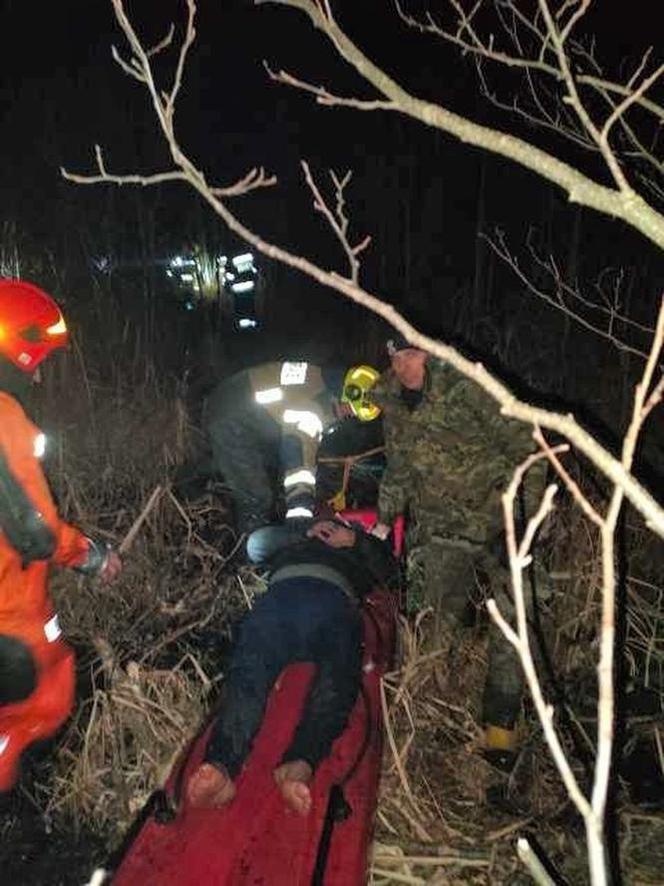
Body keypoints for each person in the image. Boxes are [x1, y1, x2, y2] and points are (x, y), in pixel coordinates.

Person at [371, 333, 543, 766]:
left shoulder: (471, 387)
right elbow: (400, 465)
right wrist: (382, 522)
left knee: (515, 612)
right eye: (395, 356)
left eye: (411, 355)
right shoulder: (392, 401)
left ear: (430, 353)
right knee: (432, 622)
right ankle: (425, 721)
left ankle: (501, 724)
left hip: (496, 518)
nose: (402, 366)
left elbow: (528, 448)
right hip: (440, 526)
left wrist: (523, 523)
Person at [186, 516, 396, 815]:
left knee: (339, 676)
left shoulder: (362, 545)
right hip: (282, 597)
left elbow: (389, 569)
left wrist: (354, 541)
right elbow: (256, 545)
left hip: (334, 600)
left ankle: (300, 762)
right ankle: (222, 764)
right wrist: (300, 532)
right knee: (249, 668)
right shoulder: (297, 536)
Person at [0, 279, 122, 792]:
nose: (42, 369)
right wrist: (90, 556)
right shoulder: (4, 416)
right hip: (9, 609)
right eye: (40, 355)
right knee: (46, 695)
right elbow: (34, 530)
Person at [202, 361, 380, 533]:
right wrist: (300, 510)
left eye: (353, 414)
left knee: (262, 478)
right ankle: (248, 556)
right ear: (349, 391)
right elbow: (298, 453)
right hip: (232, 420)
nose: (346, 414)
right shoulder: (314, 405)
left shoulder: (319, 380)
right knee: (257, 498)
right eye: (348, 408)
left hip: (238, 410)